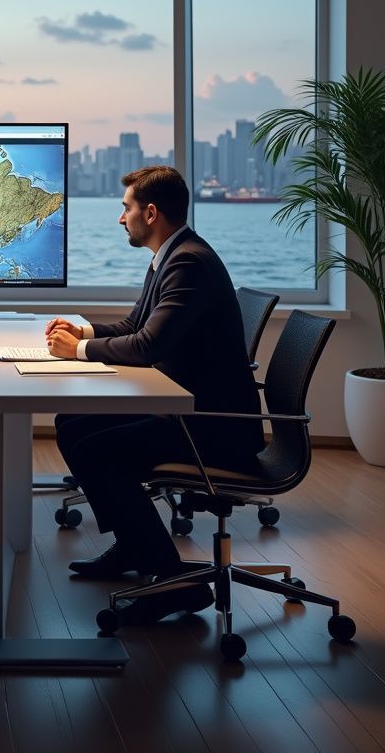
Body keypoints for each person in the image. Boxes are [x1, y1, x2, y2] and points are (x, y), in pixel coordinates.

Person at [45, 165, 262, 624]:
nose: (120, 219)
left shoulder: (188, 263)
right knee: (72, 422)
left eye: (125, 209)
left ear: (150, 212)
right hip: (189, 410)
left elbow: (147, 347)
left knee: (98, 450)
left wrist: (79, 350)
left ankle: (174, 582)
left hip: (214, 426)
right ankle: (132, 543)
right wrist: (81, 329)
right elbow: (136, 328)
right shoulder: (172, 253)